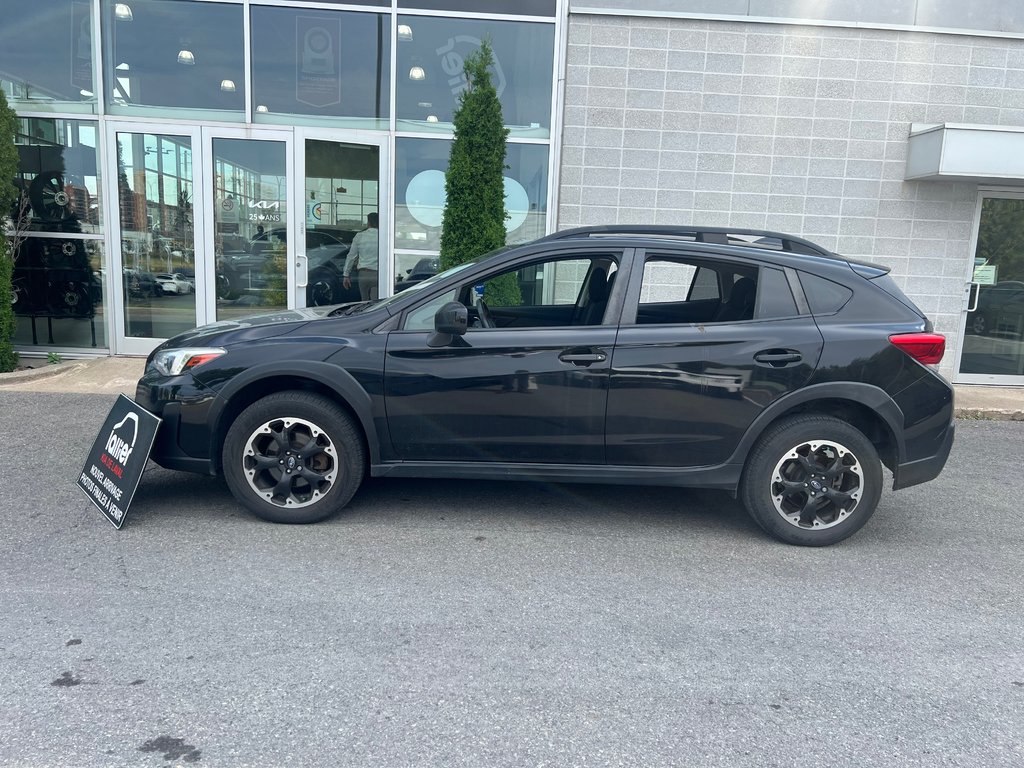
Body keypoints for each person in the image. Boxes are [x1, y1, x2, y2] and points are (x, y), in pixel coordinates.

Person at [343, 212, 379, 300]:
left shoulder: (359, 236)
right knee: (377, 304)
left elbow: (351, 256)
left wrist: (346, 275)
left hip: (363, 274)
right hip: (378, 274)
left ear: (368, 223)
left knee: (364, 302)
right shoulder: (384, 236)